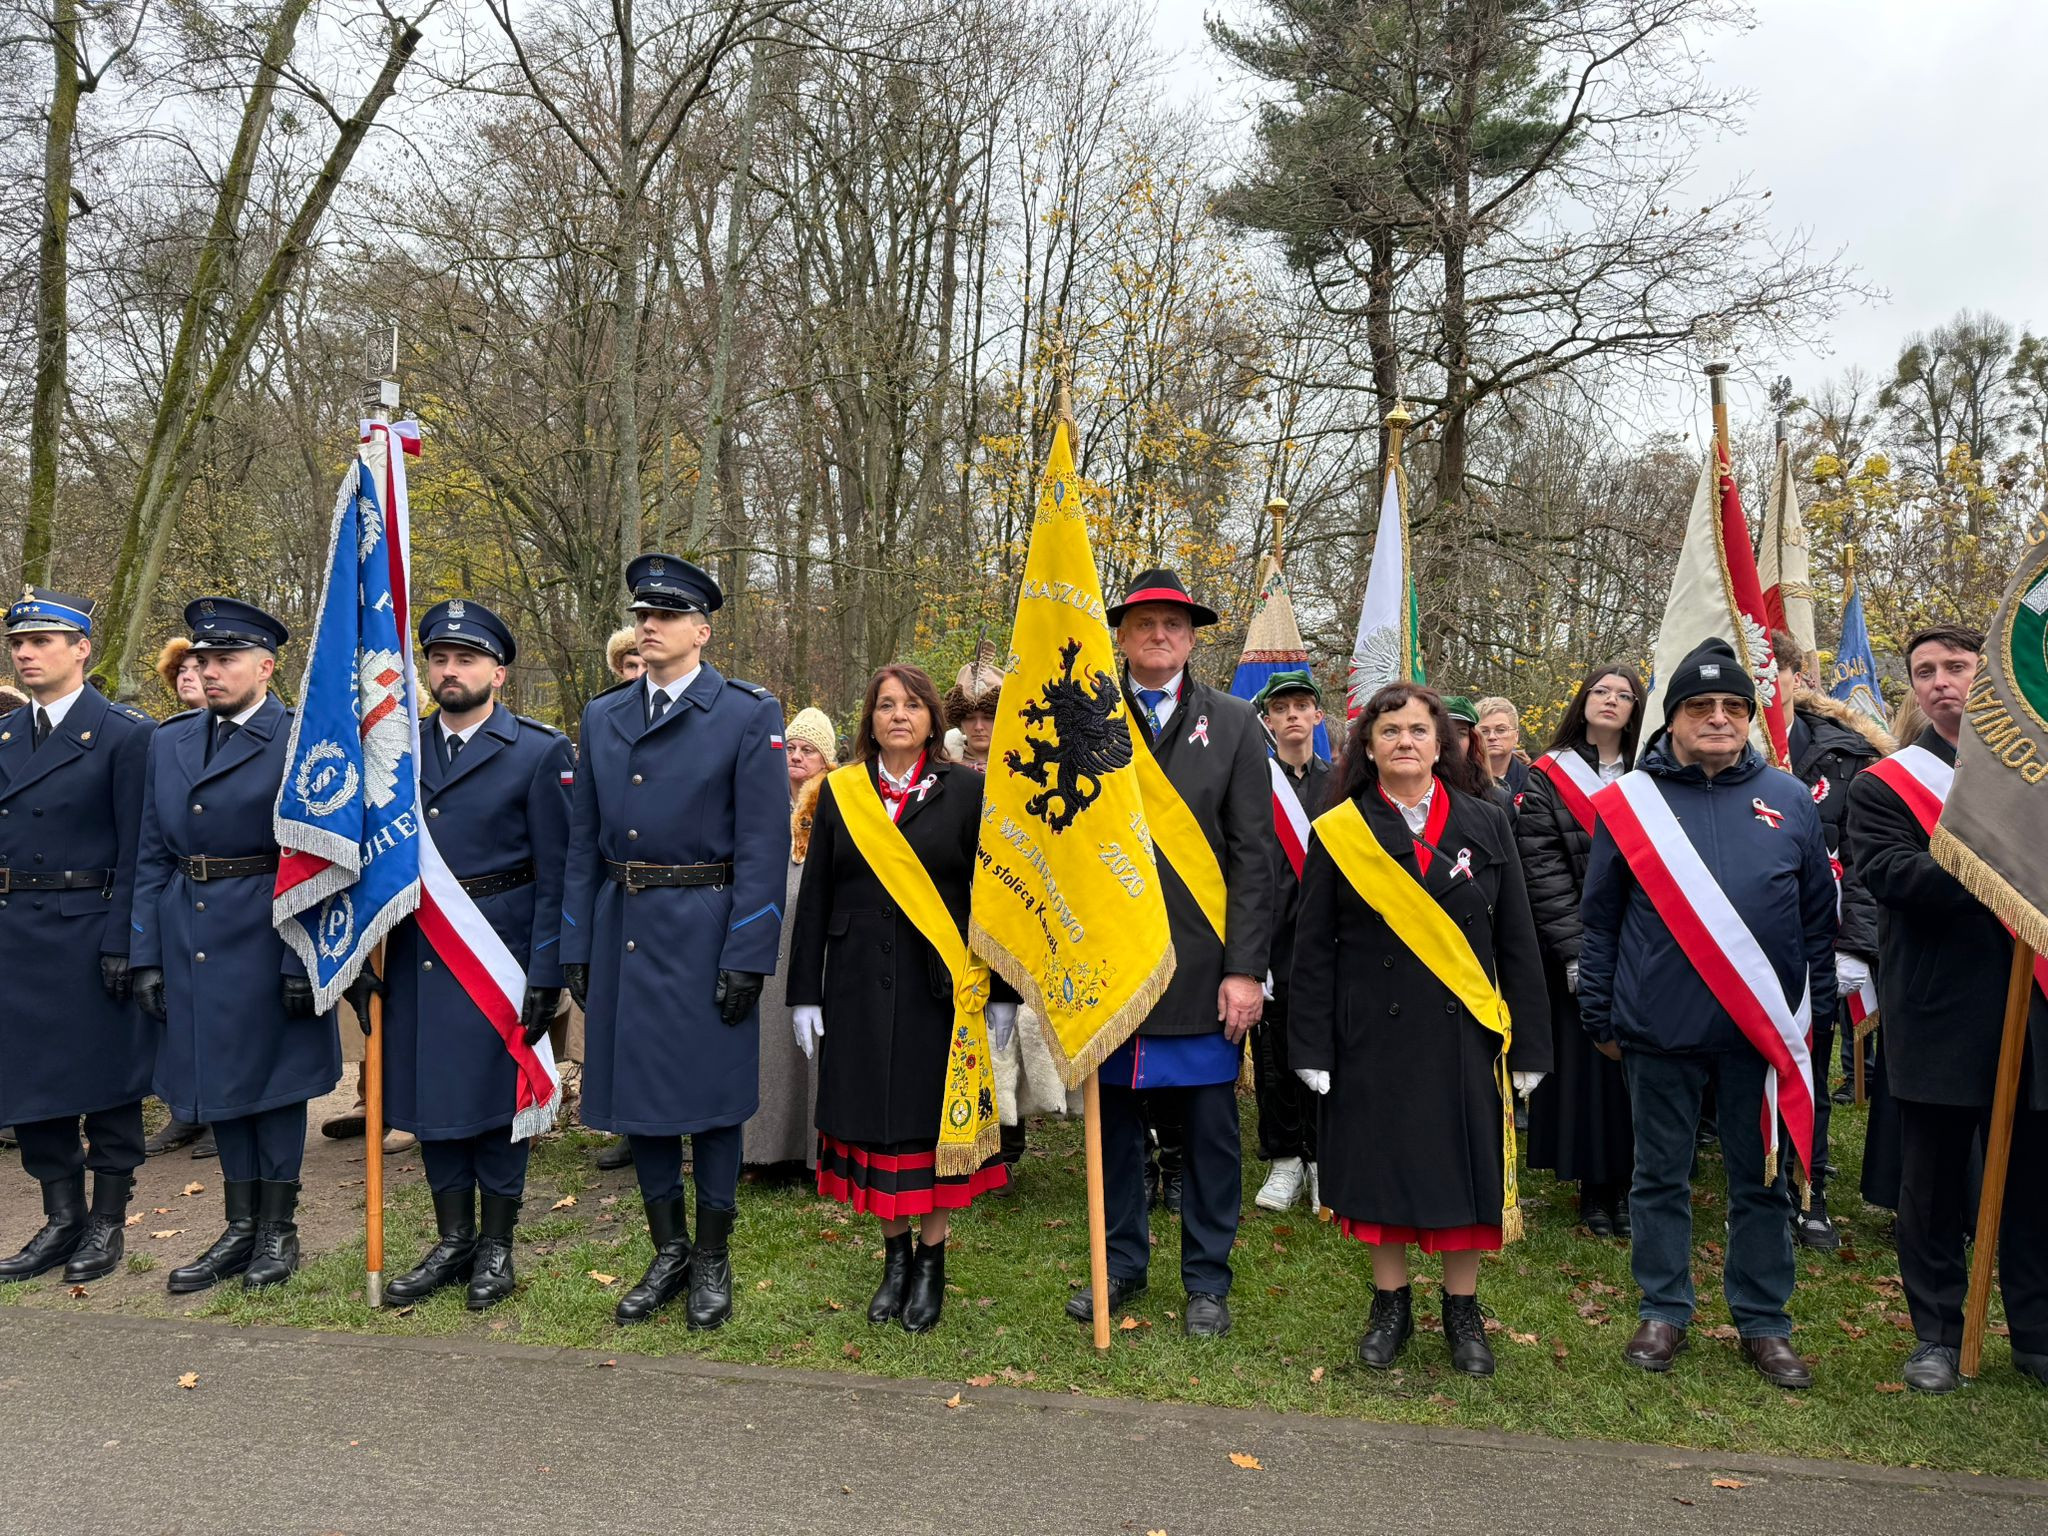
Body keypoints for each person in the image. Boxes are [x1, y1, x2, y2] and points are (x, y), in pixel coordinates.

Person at [1579, 637, 1837, 1388]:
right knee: (1658, 1175)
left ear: (1751, 717)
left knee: (1761, 1180)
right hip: (1659, 1029)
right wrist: (1600, 1013)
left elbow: (1818, 921)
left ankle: (1763, 1321)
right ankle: (1664, 1308)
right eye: (1701, 707)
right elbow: (1600, 920)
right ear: (1675, 718)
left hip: (1758, 1038)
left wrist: (1814, 1018)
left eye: (1733, 707)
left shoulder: (1790, 800)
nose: (1718, 718)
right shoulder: (1631, 803)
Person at [1290, 684, 1549, 1376]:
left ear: (1443, 744)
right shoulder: (1339, 827)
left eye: (1418, 729)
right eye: (1389, 730)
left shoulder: (1487, 821)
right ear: (1367, 748)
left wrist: (1530, 1044)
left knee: (1465, 1173)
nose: (1405, 741)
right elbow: (1311, 946)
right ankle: (1390, 1304)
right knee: (1384, 1170)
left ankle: (1463, 1313)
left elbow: (1518, 939)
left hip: (1463, 1030)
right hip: (1372, 1033)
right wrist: (1311, 1044)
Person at [560, 554, 790, 1329]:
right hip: (624, 927)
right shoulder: (604, 715)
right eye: (642, 615)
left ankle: (714, 1257)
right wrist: (576, 944)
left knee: (714, 1104)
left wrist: (749, 954)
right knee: (642, 1101)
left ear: (702, 630)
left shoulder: (747, 713)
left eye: (665, 616)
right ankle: (668, 1251)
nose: (647, 626)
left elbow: (764, 843)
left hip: (706, 927)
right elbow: (581, 841)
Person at [1065, 568, 1273, 1339]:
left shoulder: (1237, 723)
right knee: (1112, 1128)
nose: (1160, 635)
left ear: (1192, 638)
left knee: (1211, 1135)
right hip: (1108, 966)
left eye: (1175, 625)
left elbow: (1257, 857)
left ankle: (1207, 1279)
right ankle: (1118, 1266)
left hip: (1202, 968)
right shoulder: (1082, 718)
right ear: (1119, 634)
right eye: (1145, 622)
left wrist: (1245, 969)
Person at [786, 664, 1019, 1332]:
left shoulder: (967, 793)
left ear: (930, 720)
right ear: (870, 718)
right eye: (886, 705)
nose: (898, 715)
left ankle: (931, 1260)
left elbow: (992, 902)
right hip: (856, 989)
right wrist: (806, 992)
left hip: (938, 993)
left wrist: (1002, 993)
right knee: (876, 1132)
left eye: (911, 705)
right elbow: (817, 899)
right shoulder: (840, 794)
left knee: (927, 1134)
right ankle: (893, 1258)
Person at [1848, 623, 2048, 1393]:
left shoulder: (2035, 777)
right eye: (1925, 671)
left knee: (2037, 1182)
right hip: (1940, 1010)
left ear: (1989, 677)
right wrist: (1997, 859)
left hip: (2038, 1015)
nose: (1941, 681)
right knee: (1929, 1189)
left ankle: (2035, 1332)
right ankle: (1937, 1333)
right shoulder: (1885, 785)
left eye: (1956, 666)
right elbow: (1894, 877)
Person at [132, 598, 343, 1293]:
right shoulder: (171, 741)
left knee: (273, 1086)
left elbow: (324, 856)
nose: (210, 671)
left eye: (225, 659)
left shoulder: (302, 739)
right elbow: (152, 854)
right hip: (189, 930)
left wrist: (301, 955)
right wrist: (146, 953)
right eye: (201, 660)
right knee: (216, 1081)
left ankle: (279, 1231)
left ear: (266, 666)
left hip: (269, 927)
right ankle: (239, 1227)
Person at [378, 600, 573, 1309]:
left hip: (499, 952)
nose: (450, 670)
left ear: (499, 671)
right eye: (438, 658)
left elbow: (558, 874)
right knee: (433, 1102)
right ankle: (452, 1239)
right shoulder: (395, 749)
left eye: (465, 659)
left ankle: (496, 1247)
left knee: (495, 1105)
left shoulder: (539, 750)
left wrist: (547, 974)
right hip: (418, 951)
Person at [0, 588, 157, 1286]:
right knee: (28, 1083)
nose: (25, 654)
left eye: (41, 642)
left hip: (91, 924)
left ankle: (107, 1222)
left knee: (108, 1082)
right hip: (15, 933)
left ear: (82, 649)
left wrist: (127, 938)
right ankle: (60, 1217)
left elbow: (140, 849)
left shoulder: (125, 734)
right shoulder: (4, 735)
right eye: (18, 644)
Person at [1517, 664, 1644, 1237]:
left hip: (1648, 946)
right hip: (1580, 949)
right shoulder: (1546, 775)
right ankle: (1596, 1190)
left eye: (1624, 695)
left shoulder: (1653, 771)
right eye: (1601, 692)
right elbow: (1542, 867)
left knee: (1641, 1068)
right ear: (1582, 701)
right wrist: (1575, 950)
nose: (1611, 701)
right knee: (1592, 1071)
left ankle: (1638, 1184)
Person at [1774, 627, 1891, 1251]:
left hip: (1820, 942)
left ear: (1799, 678)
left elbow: (1869, 859)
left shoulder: (1848, 756)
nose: (1768, 685)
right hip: (1739, 944)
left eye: (1777, 672)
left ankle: (1809, 1191)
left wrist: (1854, 946)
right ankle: (1760, 1194)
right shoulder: (1711, 749)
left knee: (1811, 1070)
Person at [1249, 670, 1329, 1214]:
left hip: (1329, 943)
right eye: (1283, 708)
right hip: (1271, 943)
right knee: (1274, 1057)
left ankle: (1326, 1158)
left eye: (1303, 706)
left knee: (1328, 1055)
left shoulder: (1344, 781)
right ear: (1268, 720)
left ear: (1319, 717)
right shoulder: (1253, 781)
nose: (1293, 715)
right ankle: (1284, 1158)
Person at [744, 706, 836, 1172]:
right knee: (769, 1049)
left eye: (809, 750)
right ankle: (764, 1150)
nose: (798, 757)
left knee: (815, 1046)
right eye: (792, 748)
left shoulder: (835, 805)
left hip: (817, 944)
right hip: (770, 941)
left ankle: (814, 1149)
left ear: (827, 760)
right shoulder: (762, 800)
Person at [142, 638, 217, 1160]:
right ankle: (186, 1111)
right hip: (180, 892)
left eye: (202, 666)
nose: (191, 675)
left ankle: (222, 1113)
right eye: (184, 669)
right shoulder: (166, 739)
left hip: (241, 895)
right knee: (179, 1011)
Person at [587, 625, 651, 1174]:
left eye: (640, 662)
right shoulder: (603, 717)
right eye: (627, 665)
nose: (636, 671)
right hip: (619, 895)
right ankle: (632, 1127)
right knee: (625, 1023)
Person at [941, 651, 1002, 773]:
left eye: (988, 717)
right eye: (969, 718)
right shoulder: (939, 766)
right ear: (959, 719)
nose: (978, 727)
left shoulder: (1026, 764)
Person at [1474, 696, 1531, 800]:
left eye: (1501, 730)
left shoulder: (1532, 780)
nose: (1492, 737)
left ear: (1516, 736)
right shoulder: (1460, 780)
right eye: (1484, 731)